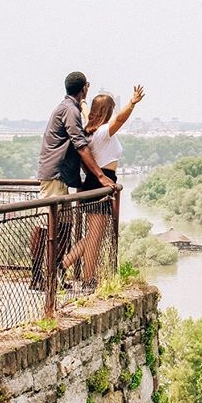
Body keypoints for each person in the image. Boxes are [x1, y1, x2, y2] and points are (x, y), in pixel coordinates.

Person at [31, 71, 115, 289]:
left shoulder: (71, 108)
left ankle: (53, 274)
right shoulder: (69, 110)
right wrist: (100, 176)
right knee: (47, 225)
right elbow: (80, 145)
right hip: (55, 173)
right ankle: (38, 276)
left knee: (64, 226)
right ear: (84, 88)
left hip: (62, 175)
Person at [61, 84, 145, 284]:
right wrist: (132, 103)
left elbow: (89, 112)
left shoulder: (90, 132)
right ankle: (84, 277)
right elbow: (120, 119)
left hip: (93, 183)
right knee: (95, 237)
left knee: (93, 236)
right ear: (107, 112)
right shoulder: (104, 132)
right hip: (102, 182)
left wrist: (83, 103)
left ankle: (66, 266)